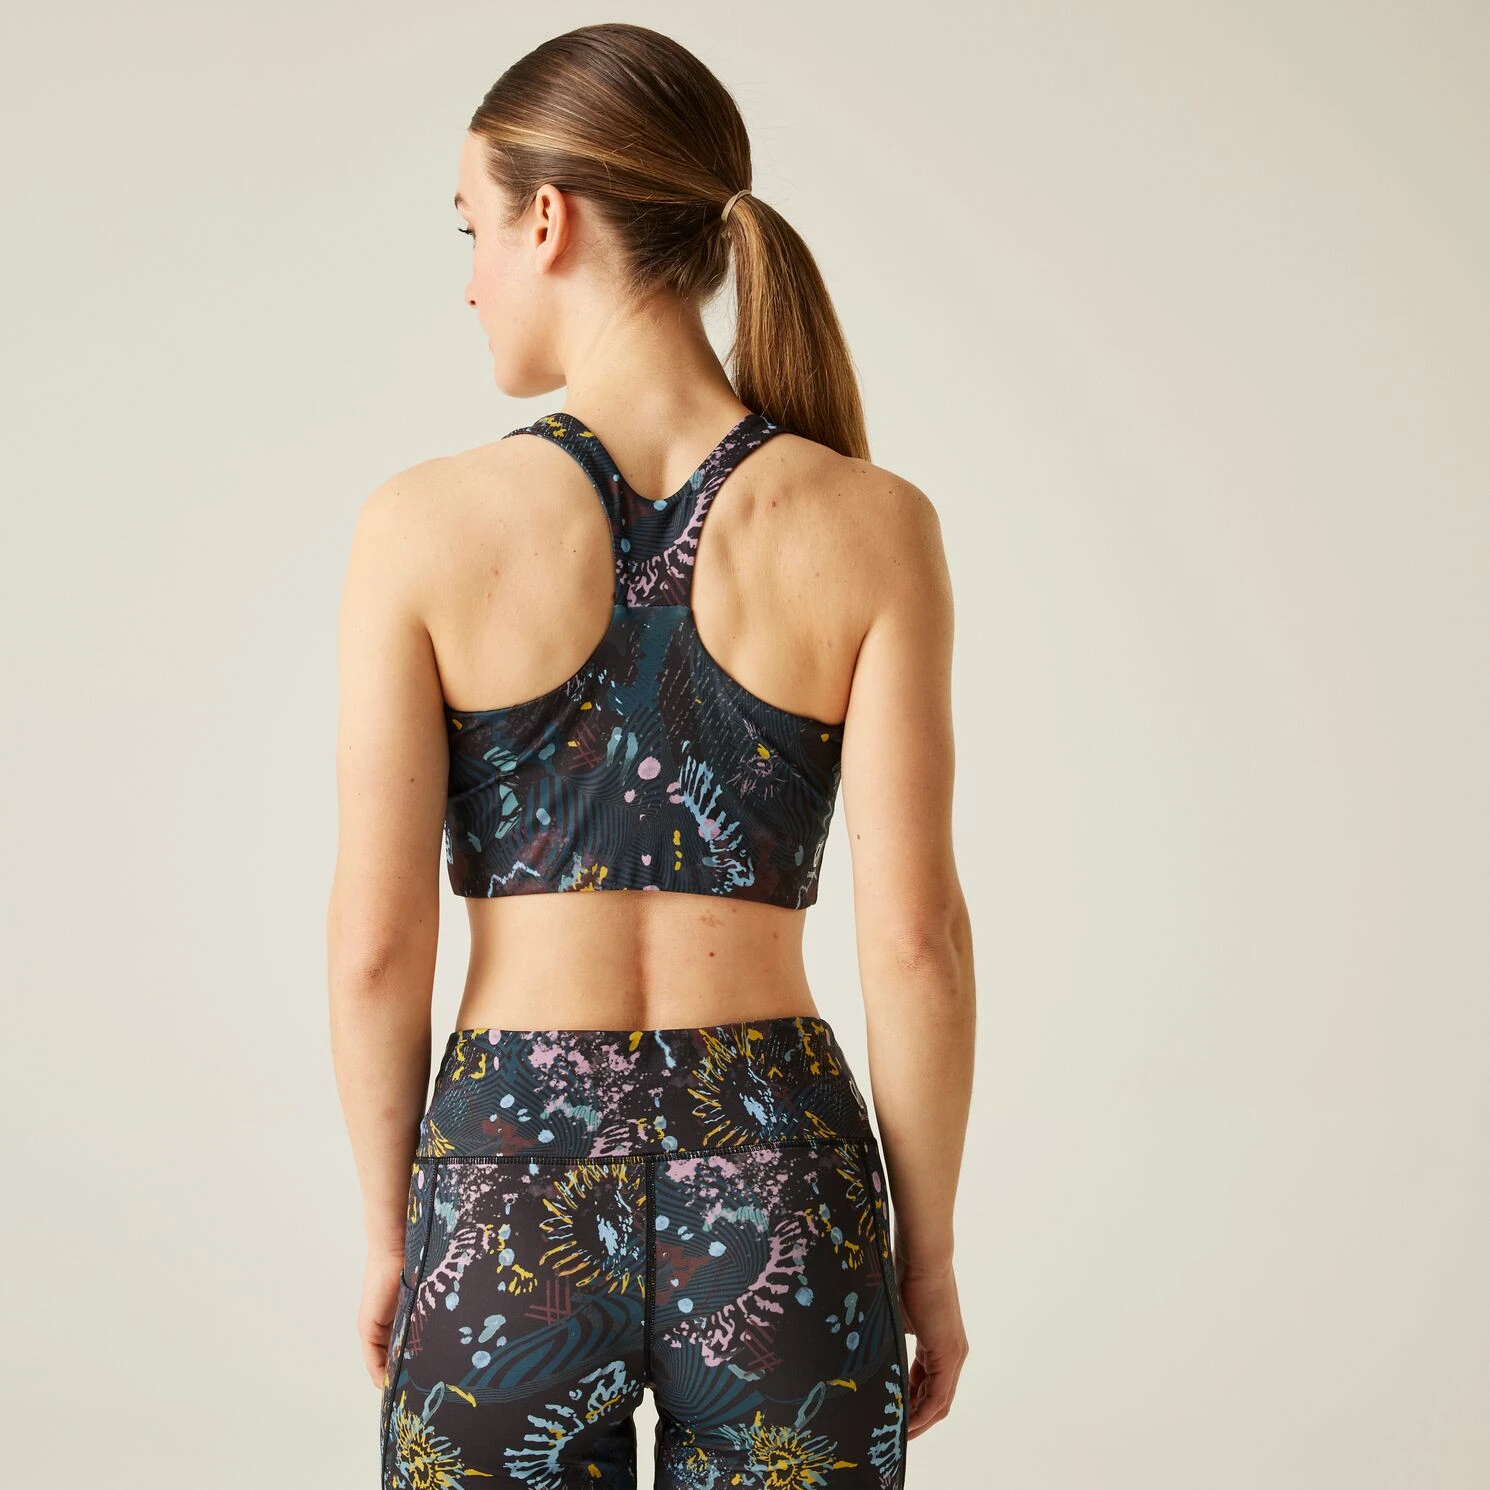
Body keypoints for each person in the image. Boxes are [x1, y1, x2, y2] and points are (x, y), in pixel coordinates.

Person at [327, 22, 974, 1489]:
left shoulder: (421, 526)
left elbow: (376, 946)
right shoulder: (873, 524)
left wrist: (392, 1230)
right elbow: (916, 943)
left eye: (472, 228)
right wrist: (924, 1257)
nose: (471, 278)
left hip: (506, 1173)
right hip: (782, 1173)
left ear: (547, 220)